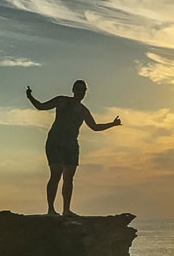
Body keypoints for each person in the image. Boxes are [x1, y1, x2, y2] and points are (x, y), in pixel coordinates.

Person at [26, 80, 121, 216]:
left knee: (68, 178)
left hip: (71, 145)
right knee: (56, 174)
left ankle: (66, 210)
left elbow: (94, 127)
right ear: (73, 90)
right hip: (55, 143)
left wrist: (113, 124)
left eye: (83, 90)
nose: (81, 92)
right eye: (78, 89)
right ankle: (51, 210)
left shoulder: (83, 111)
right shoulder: (62, 101)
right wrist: (30, 97)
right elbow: (41, 106)